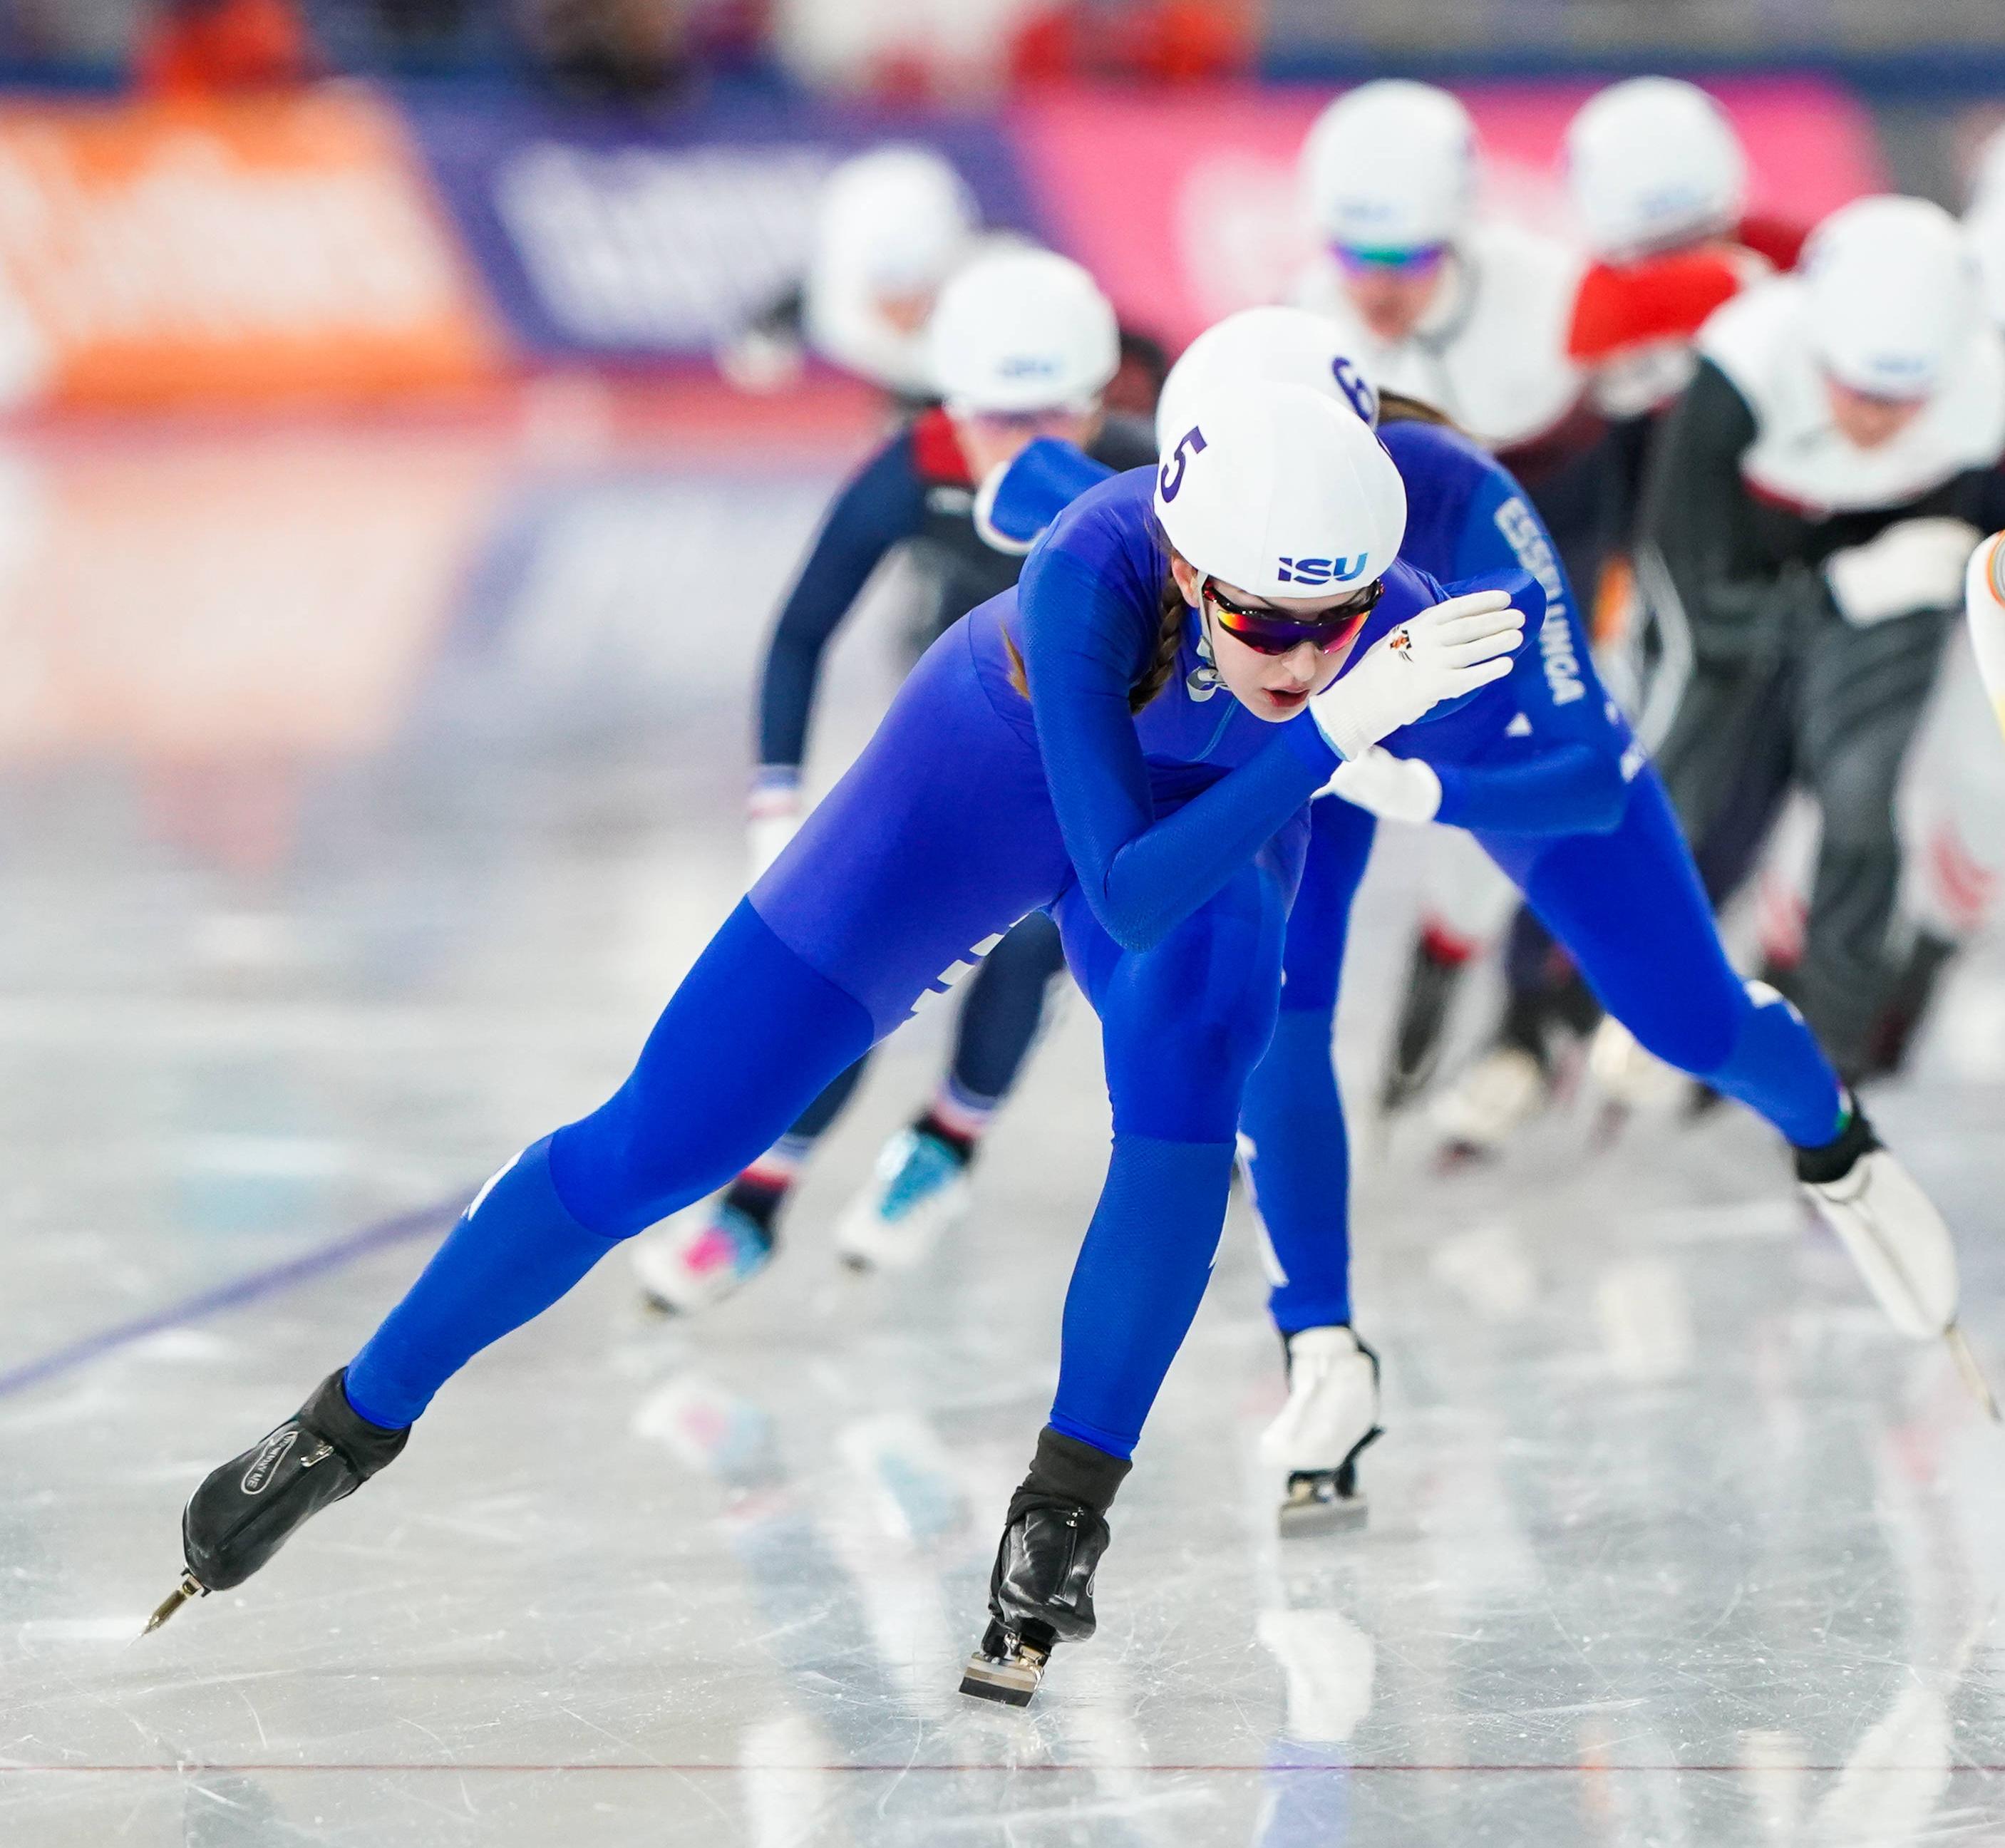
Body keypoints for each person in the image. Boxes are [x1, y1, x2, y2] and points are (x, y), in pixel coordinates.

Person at [149, 386, 1535, 1698]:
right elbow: (1120, 885)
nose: (1301, 656)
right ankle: (342, 1425)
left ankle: (1059, 1515)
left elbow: (1585, 803)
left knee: (1195, 1069)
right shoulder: (1090, 571)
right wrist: (1334, 732)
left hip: (1212, 831)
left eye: (1335, 621)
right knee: (662, 1144)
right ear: (1187, 569)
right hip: (982, 780)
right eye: (1265, 622)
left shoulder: (1402, 620)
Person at [631, 247, 1156, 1312]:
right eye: (995, 419)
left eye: (1050, 417)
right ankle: (754, 1204)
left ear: (1097, 405)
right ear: (948, 406)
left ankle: (945, 1146)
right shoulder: (916, 464)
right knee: (861, 950)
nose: (1021, 445)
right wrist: (775, 801)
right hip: (962, 725)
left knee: (1031, 942)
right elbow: (799, 631)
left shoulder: (1144, 479)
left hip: (1103, 741)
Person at [1438, 196, 2005, 1144]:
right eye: (1852, 388)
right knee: (1667, 796)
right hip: (1741, 588)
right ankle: (1532, 1018)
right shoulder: (1741, 370)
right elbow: (1698, 601)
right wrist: (1841, 588)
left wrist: (1919, 583)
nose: (1872, 420)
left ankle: (1834, 1066)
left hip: (1887, 591)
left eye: (1902, 400)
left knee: (1858, 800)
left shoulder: (1983, 389)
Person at [1391, 77, 1806, 1130]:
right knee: (1616, 751)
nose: (1668, 269)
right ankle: (1528, 1015)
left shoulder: (1774, 262)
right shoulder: (1631, 288)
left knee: (1733, 783)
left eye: (1692, 240)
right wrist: (1736, 281)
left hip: (1755, 546)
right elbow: (1600, 321)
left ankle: (1626, 1009)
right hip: (1642, 532)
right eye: (1647, 252)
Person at [718, 145, 977, 406]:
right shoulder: (837, 313)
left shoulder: (973, 298)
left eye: (916, 296)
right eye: (894, 297)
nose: (906, 310)